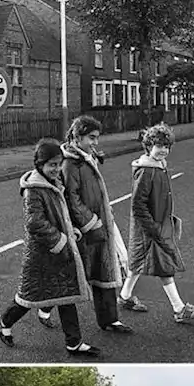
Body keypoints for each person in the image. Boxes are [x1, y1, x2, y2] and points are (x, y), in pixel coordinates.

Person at [0, 139, 100, 357]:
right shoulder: (33, 189)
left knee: (66, 295)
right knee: (29, 297)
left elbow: (60, 213)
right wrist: (61, 239)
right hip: (42, 254)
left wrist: (72, 231)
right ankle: (4, 320)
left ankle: (74, 342)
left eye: (59, 163)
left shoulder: (53, 182)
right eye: (51, 164)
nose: (56, 169)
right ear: (39, 164)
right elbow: (34, 223)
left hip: (59, 252)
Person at [49, 116, 133, 336]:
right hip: (85, 229)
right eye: (91, 138)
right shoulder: (70, 163)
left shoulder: (86, 157)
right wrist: (90, 222)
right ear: (77, 137)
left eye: (97, 138)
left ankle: (110, 320)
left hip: (100, 223)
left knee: (104, 270)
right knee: (77, 276)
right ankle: (45, 306)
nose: (96, 142)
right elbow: (71, 198)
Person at [124, 124, 194, 324]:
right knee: (165, 266)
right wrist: (153, 229)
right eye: (159, 145)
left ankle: (124, 296)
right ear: (148, 145)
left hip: (156, 225)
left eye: (167, 146)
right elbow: (138, 205)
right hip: (151, 229)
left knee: (137, 263)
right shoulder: (146, 170)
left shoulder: (159, 166)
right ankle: (179, 309)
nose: (164, 150)